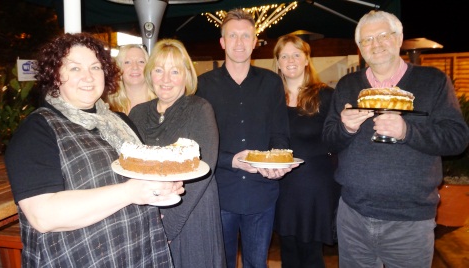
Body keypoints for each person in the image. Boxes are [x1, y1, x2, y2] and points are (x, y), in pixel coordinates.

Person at [4, 32, 184, 267]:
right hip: (81, 258)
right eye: (75, 68)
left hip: (139, 251)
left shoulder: (120, 121)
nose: (88, 76)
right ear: (55, 74)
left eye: (95, 67)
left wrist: (161, 187)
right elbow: (42, 215)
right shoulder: (38, 129)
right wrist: (130, 192)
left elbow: (141, 179)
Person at [322, 10, 469, 268]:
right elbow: (329, 141)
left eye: (383, 36)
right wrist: (345, 128)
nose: (375, 44)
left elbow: (457, 139)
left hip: (410, 221)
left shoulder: (433, 81)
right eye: (367, 40)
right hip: (353, 216)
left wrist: (408, 131)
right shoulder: (347, 85)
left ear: (399, 38)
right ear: (359, 47)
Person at [196, 8, 298, 268]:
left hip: (261, 192)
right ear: (223, 42)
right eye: (233, 36)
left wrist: (277, 164)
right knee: (220, 263)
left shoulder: (272, 83)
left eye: (246, 36)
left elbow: (280, 135)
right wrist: (232, 161)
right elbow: (197, 144)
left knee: (257, 264)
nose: (239, 43)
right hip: (219, 193)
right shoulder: (202, 85)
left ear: (255, 42)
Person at [128, 38, 226, 268]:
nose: (165, 79)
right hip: (148, 213)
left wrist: (169, 226)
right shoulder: (137, 113)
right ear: (150, 74)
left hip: (191, 214)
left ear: (186, 75)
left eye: (174, 71)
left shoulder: (199, 109)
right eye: (159, 70)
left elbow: (202, 171)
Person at [273, 34, 341, 268]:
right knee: (288, 252)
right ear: (278, 62)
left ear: (306, 59)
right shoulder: (272, 99)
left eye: (296, 54)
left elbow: (338, 140)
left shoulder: (325, 95)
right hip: (282, 186)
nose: (290, 60)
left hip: (315, 187)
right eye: (284, 55)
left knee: (311, 254)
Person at [107, 44, 156, 114]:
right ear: (119, 69)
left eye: (141, 61)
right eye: (127, 62)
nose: (135, 67)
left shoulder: (161, 105)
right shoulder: (109, 108)